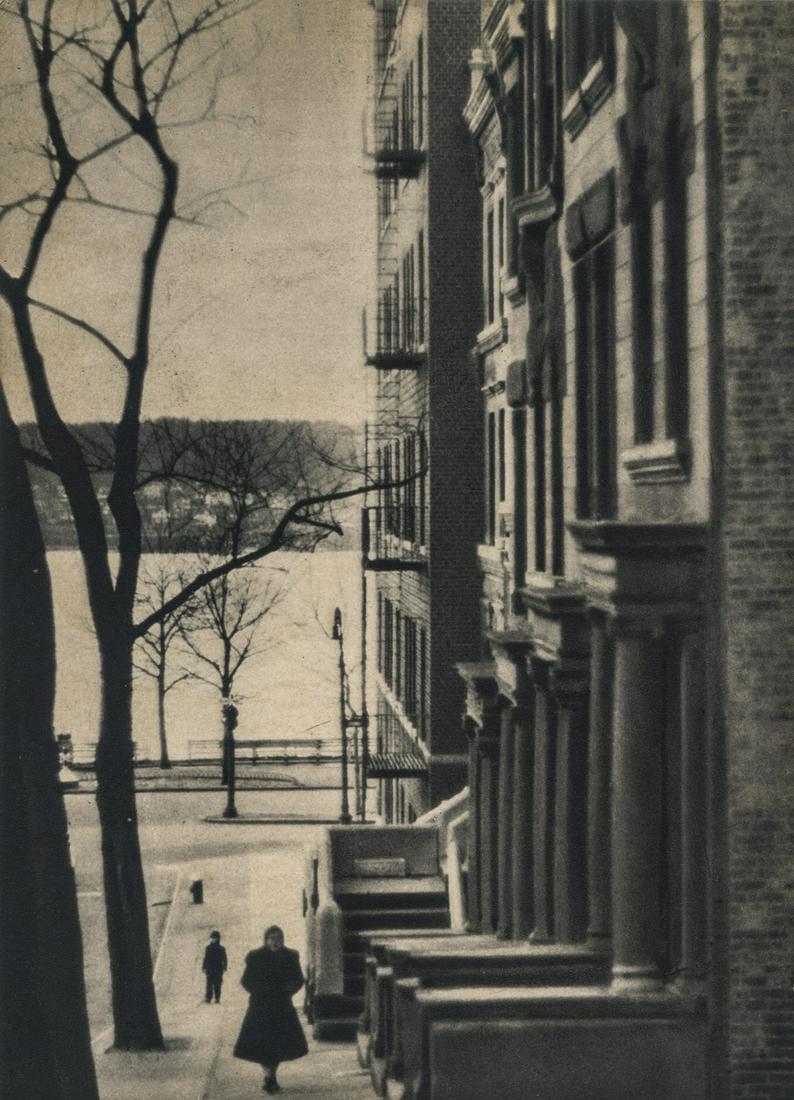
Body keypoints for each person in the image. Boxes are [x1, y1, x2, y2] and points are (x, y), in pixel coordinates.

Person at [233, 925, 309, 1093]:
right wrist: (259, 992)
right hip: (260, 1008)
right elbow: (246, 980)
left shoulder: (290, 956)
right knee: (263, 1045)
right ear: (266, 940)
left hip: (281, 1007)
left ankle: (271, 1076)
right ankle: (269, 1077)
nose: (276, 943)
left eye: (279, 939)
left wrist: (288, 992)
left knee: (277, 1044)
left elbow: (298, 979)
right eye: (272, 939)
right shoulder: (255, 957)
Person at [202, 930, 228, 1004]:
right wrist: (204, 967)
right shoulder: (208, 948)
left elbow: (225, 958)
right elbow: (206, 958)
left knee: (217, 984)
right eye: (212, 938)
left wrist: (225, 967)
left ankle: (217, 998)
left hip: (218, 969)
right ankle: (208, 998)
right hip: (210, 968)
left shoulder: (221, 949)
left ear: (218, 939)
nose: (213, 940)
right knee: (209, 984)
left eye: (215, 938)